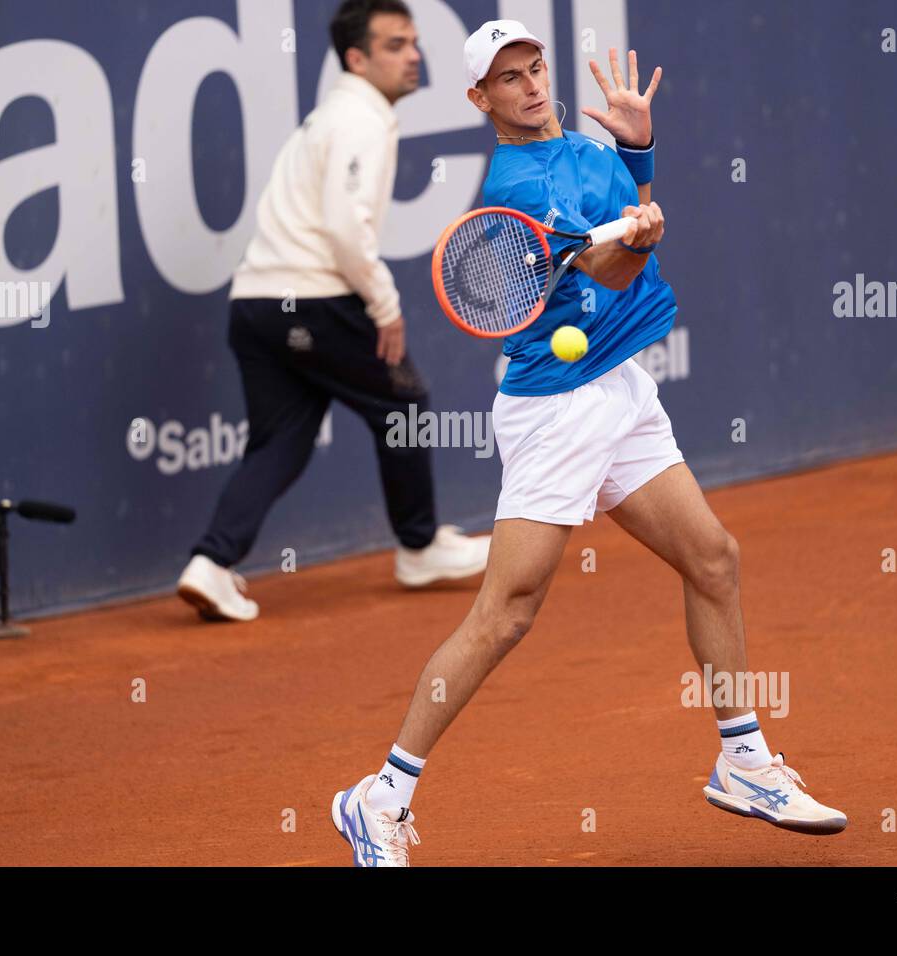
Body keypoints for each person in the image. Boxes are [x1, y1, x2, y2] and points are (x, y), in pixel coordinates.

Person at [330, 20, 846, 866]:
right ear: (480, 99)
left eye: (535, 69)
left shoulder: (587, 150)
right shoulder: (517, 188)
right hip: (557, 411)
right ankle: (378, 797)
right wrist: (637, 244)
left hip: (618, 392)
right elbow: (606, 271)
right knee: (507, 614)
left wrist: (639, 156)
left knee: (713, 558)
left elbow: (626, 218)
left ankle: (745, 761)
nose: (531, 86)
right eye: (509, 78)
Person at [176, 0, 491, 623]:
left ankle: (210, 564)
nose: (413, 55)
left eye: (414, 42)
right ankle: (420, 547)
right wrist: (384, 304)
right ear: (357, 58)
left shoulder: (334, 116)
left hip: (255, 306)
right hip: (310, 298)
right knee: (403, 401)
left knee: (282, 439)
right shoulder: (361, 121)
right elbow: (345, 229)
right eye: (396, 44)